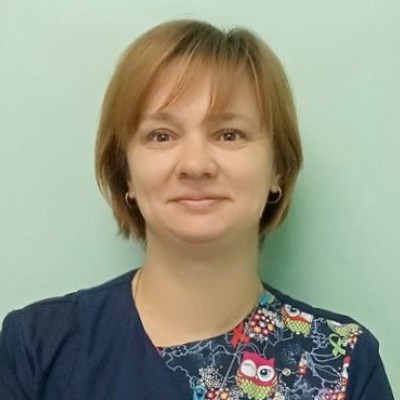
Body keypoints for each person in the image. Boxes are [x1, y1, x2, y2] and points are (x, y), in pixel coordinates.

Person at [0, 19, 394, 400]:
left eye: (229, 134)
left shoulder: (342, 363)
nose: (195, 164)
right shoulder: (37, 348)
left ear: (277, 167)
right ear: (126, 174)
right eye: (162, 135)